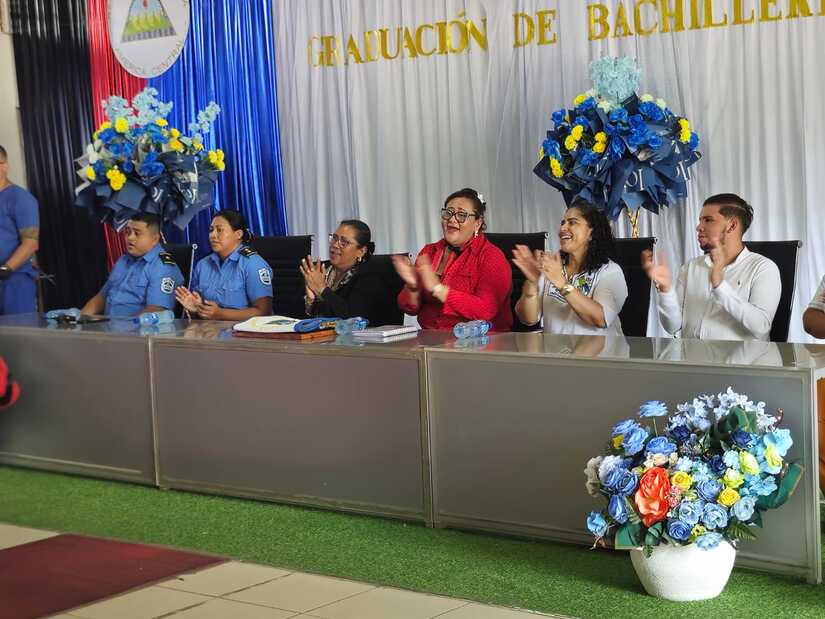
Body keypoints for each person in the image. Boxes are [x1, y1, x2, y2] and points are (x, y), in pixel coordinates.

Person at [642, 193, 781, 341]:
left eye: (708, 220)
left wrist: (720, 286)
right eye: (700, 220)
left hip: (741, 362)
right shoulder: (691, 267)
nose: (698, 227)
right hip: (691, 360)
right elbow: (673, 327)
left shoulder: (763, 268)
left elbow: (761, 326)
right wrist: (666, 291)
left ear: (732, 225)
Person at [393, 188, 512, 331]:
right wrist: (412, 287)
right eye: (448, 213)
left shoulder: (491, 256)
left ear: (477, 223)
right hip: (430, 339)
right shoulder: (429, 252)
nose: (452, 219)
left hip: (479, 342)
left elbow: (486, 310)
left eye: (461, 215)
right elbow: (410, 309)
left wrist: (438, 289)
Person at [512, 202, 627, 335]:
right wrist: (531, 284)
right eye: (562, 223)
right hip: (556, 354)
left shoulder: (610, 271)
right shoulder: (553, 266)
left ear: (591, 232)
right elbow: (528, 319)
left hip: (601, 354)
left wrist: (562, 284)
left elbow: (600, 319)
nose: (563, 228)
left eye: (572, 222)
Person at [175, 209, 273, 320]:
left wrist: (220, 314)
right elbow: (201, 314)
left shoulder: (254, 264)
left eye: (219, 230)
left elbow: (264, 312)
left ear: (238, 234)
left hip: (244, 334)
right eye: (211, 230)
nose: (213, 235)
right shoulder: (203, 265)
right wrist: (197, 308)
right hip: (209, 333)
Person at [81, 212, 183, 316]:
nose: (130, 238)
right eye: (128, 232)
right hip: (108, 326)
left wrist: (123, 326)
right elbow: (101, 297)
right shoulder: (123, 260)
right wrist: (80, 321)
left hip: (137, 330)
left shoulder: (163, 267)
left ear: (155, 239)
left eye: (137, 233)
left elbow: (156, 310)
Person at [300, 219, 399, 326]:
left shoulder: (370, 275)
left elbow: (352, 318)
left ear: (361, 251)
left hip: (362, 341)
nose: (335, 245)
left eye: (344, 242)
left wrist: (322, 289)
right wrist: (310, 300)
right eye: (334, 238)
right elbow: (293, 316)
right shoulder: (320, 270)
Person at [0, 145, 39, 315]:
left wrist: (4, 270)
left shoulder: (21, 198)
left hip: (14, 281)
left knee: (18, 336)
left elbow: (30, 244)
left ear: (4, 166)